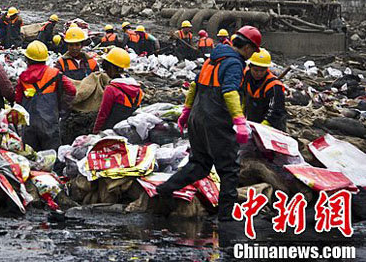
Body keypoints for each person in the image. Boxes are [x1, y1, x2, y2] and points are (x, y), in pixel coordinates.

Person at [155, 25, 262, 222]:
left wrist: (186, 113)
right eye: (252, 51)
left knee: (200, 164)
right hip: (217, 122)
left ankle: (165, 189)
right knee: (229, 170)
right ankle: (226, 220)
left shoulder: (212, 60)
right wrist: (239, 121)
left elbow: (194, 86)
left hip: (198, 118)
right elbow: (229, 91)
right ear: (247, 47)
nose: (251, 55)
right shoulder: (234, 64)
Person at [16, 40, 69, 151]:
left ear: (28, 60)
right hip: (50, 123)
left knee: (30, 156)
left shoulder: (23, 77)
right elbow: (71, 90)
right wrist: (63, 109)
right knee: (52, 156)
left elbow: (18, 100)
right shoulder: (55, 74)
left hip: (29, 124)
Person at [93, 47, 143, 132]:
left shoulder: (111, 89)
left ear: (111, 68)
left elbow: (103, 114)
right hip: (129, 132)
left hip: (112, 132)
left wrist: (95, 131)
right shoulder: (138, 90)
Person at [240, 48, 286, 131]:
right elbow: (243, 96)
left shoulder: (274, 86)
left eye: (262, 70)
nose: (259, 73)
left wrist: (261, 128)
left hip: (272, 126)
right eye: (256, 70)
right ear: (250, 67)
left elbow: (276, 111)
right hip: (253, 121)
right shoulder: (245, 76)